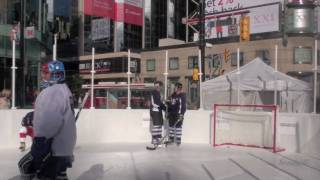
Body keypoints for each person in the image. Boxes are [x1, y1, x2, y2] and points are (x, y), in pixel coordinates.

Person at [32, 60, 76, 179]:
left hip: (53, 148)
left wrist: (40, 140)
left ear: (55, 74)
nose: (43, 75)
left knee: (47, 175)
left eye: (46, 73)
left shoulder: (52, 92)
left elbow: (50, 122)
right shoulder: (64, 89)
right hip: (64, 147)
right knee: (60, 175)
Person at [18, 63, 50, 152]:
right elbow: (23, 124)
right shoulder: (30, 114)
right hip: (34, 132)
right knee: (22, 129)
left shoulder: (45, 114)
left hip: (40, 134)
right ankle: (22, 145)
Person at [149, 81, 165, 145]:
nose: (157, 87)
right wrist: (161, 105)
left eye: (158, 86)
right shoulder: (154, 92)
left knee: (160, 124)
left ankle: (158, 137)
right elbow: (154, 103)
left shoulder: (160, 93)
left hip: (159, 111)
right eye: (156, 86)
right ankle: (154, 139)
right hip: (155, 110)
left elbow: (161, 103)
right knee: (156, 125)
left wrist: (165, 107)